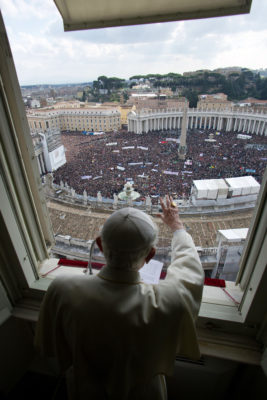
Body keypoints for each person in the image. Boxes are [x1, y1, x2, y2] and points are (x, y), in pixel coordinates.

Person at [35, 195, 204, 400]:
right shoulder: (168, 301)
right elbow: (190, 274)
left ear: (99, 244)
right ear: (150, 256)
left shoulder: (62, 289)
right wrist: (177, 227)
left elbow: (51, 348)